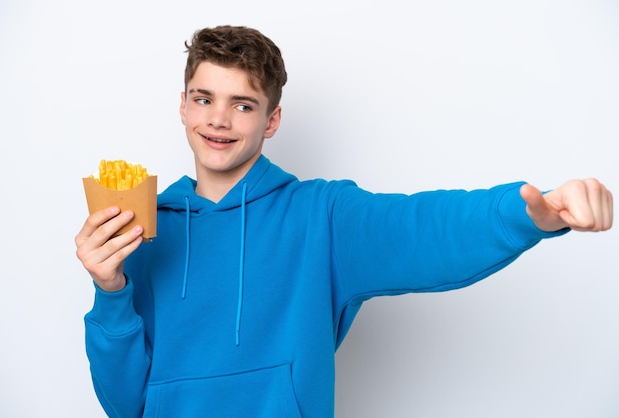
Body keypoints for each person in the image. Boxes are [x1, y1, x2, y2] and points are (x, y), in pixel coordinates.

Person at [75, 25, 613, 418]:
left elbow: (420, 227)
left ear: (272, 119)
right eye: (204, 98)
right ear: (184, 107)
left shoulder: (321, 216)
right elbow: (127, 404)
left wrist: (531, 211)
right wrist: (110, 289)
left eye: (243, 104)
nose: (218, 118)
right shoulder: (142, 229)